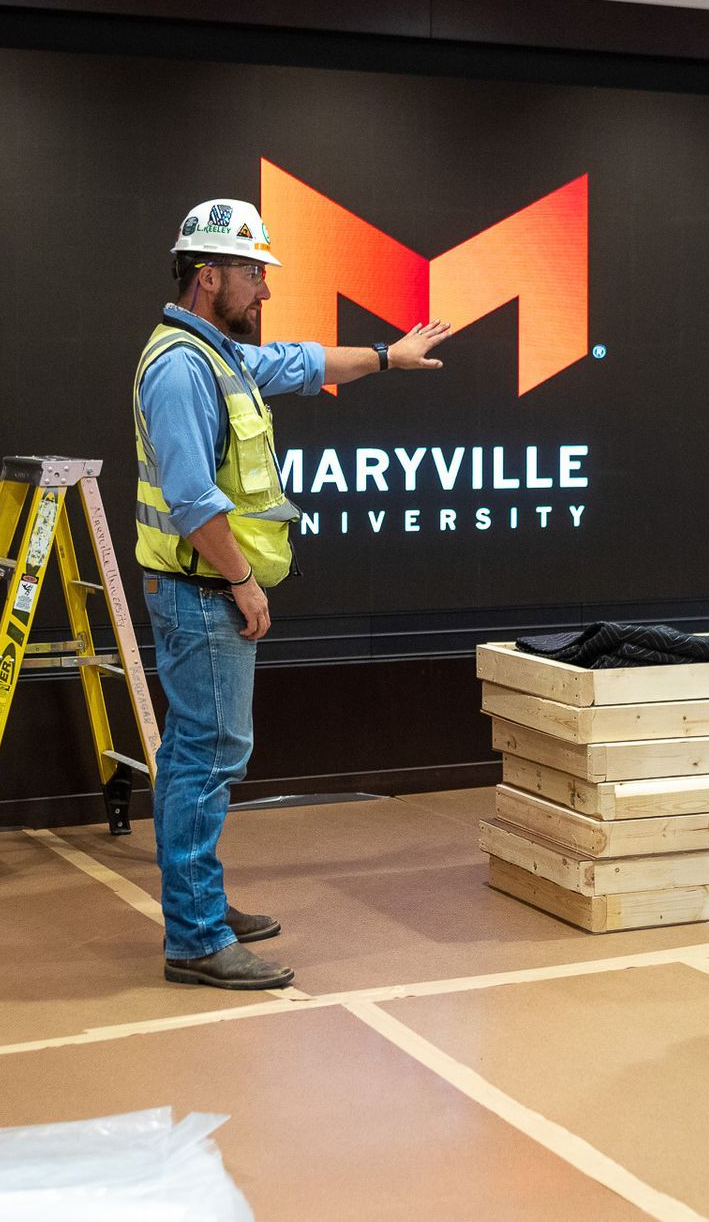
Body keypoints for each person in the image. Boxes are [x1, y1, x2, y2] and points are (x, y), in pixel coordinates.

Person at [134, 198, 452, 990]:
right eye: (252, 275)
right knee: (207, 760)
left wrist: (388, 355)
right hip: (202, 589)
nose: (263, 292)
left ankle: (199, 904)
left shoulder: (223, 357)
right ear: (208, 277)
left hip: (203, 590)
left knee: (193, 757)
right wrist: (242, 581)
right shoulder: (181, 367)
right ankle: (198, 936)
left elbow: (307, 364)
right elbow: (192, 498)